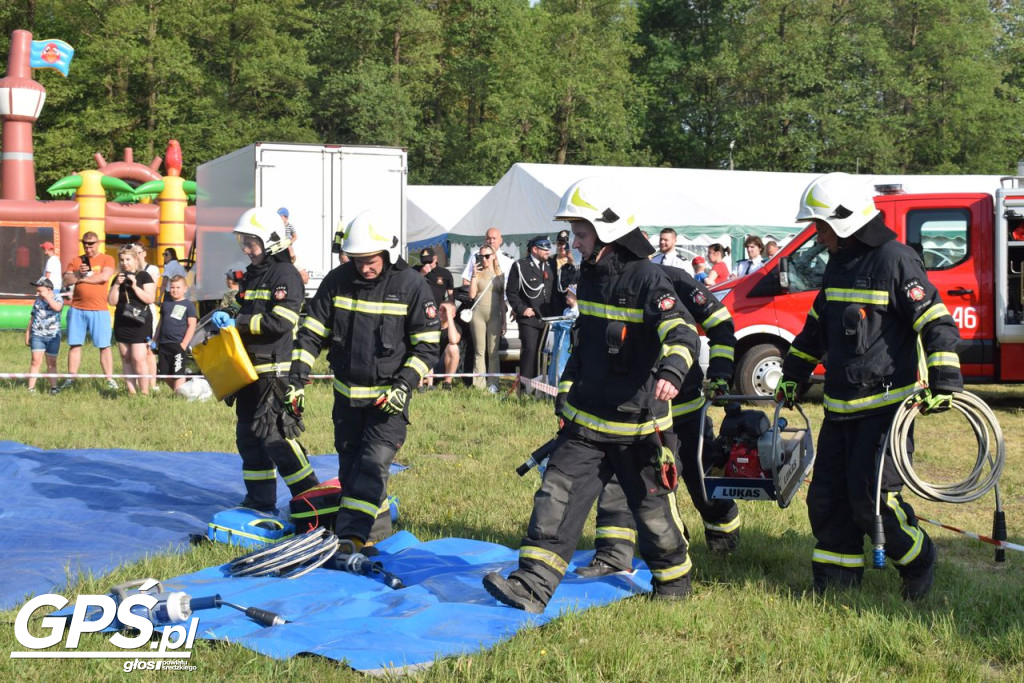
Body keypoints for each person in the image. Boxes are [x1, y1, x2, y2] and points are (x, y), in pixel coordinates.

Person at [483, 177, 698, 613]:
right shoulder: (590, 275)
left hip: (640, 428)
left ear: (609, 232)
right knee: (555, 498)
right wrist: (565, 396)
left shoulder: (647, 279)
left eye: (580, 234)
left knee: (654, 515)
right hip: (587, 422)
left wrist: (673, 370)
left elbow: (682, 332)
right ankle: (530, 587)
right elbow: (583, 343)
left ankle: (674, 585)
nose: (573, 243)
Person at [775, 172, 963, 600]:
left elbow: (935, 321)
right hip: (840, 410)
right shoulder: (839, 263)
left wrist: (945, 380)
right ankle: (835, 586)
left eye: (821, 227)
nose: (818, 238)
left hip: (884, 411)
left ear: (844, 221)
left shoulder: (896, 260)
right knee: (826, 501)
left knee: (871, 502)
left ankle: (918, 559)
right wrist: (792, 376)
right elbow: (817, 328)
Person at [572, 263, 740, 577]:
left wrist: (720, 375)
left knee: (699, 477)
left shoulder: (674, 279)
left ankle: (722, 526)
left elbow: (720, 324)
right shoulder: (606, 282)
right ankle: (615, 554)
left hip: (682, 405)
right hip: (633, 411)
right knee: (625, 480)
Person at [287, 209, 439, 551]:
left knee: (373, 465)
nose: (363, 268)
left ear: (387, 253)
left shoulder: (412, 286)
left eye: (369, 260)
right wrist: (297, 378)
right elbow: (311, 332)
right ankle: (376, 526)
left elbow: (428, 346)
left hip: (388, 402)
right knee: (351, 469)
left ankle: (351, 537)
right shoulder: (337, 281)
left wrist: (405, 384)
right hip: (346, 401)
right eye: (356, 260)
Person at [209, 206, 319, 513]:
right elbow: (246, 309)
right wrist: (229, 313)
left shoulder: (285, 275)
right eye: (242, 241)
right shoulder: (255, 276)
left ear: (271, 241)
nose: (246, 249)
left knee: (276, 439)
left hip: (274, 372)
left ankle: (311, 499)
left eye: (251, 242)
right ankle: (259, 501)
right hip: (247, 372)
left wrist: (240, 322)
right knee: (248, 438)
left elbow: (280, 322)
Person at [60, 231, 117, 392]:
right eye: (85, 243)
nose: (88, 246)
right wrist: (78, 273)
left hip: (99, 309)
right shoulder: (76, 260)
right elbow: (65, 280)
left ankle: (109, 379)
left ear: (97, 243)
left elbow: (103, 277)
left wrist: (82, 278)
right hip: (77, 309)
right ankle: (71, 378)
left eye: (91, 243)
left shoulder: (107, 258)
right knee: (74, 345)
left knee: (105, 346)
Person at [107, 245, 157, 395]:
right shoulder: (117, 278)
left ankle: (144, 392)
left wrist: (135, 286)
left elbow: (150, 298)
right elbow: (112, 301)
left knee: (138, 358)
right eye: (122, 260)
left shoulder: (144, 276)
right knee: (125, 356)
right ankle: (132, 391)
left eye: (128, 259)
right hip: (122, 322)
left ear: (135, 260)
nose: (125, 263)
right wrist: (116, 285)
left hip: (139, 322)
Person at [506, 235, 556, 381]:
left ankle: (540, 384)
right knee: (530, 351)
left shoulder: (549, 265)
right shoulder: (520, 266)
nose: (548, 251)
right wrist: (521, 309)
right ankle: (526, 385)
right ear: (534, 249)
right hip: (529, 317)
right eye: (544, 248)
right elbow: (511, 292)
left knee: (544, 353)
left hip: (547, 318)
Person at [468, 243, 505, 392]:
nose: (484, 259)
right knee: (479, 351)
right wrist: (473, 276)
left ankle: (493, 383)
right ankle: (479, 384)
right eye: (481, 256)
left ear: (494, 256)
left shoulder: (500, 274)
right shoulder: (477, 273)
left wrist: (504, 322)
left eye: (487, 256)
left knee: (493, 352)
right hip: (478, 315)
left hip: (495, 315)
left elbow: (502, 299)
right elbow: (471, 295)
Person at [154, 275, 197, 393]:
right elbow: (160, 322)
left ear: (185, 289)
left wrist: (184, 344)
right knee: (164, 373)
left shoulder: (188, 305)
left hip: (178, 344)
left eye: (178, 287)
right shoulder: (166, 303)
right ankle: (181, 392)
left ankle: (180, 394)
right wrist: (155, 339)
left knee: (178, 372)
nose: (175, 290)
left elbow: (192, 325)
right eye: (172, 287)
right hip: (164, 344)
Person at [24, 277, 63, 395]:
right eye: (37, 291)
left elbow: (57, 308)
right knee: (35, 361)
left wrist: (47, 297)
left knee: (52, 362)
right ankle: (31, 388)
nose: (38, 293)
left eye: (40, 291)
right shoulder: (37, 301)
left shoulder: (58, 298)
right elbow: (32, 318)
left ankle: (54, 387)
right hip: (38, 335)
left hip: (53, 336)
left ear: (49, 290)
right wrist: (27, 333)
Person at [135, 244, 160, 391]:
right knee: (137, 350)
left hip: (147, 311)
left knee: (149, 348)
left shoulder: (152, 269)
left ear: (144, 253)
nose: (136, 256)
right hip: (134, 312)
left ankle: (153, 383)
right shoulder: (130, 271)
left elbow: (150, 289)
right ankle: (139, 381)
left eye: (138, 253)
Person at [426, 301, 460, 390]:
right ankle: (426, 382)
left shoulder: (456, 327)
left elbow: (453, 340)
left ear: (453, 314)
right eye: (440, 310)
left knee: (453, 347)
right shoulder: (431, 325)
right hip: (428, 365)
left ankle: (447, 383)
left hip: (443, 365)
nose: (441, 313)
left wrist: (449, 316)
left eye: (445, 311)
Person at [549, 229, 579, 313]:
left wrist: (571, 263)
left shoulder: (577, 261)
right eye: (560, 243)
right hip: (554, 302)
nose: (562, 247)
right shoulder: (550, 260)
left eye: (565, 244)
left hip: (572, 304)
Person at [278, 206, 309, 285]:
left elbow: (295, 236)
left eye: (280, 216)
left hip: (287, 247)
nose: (279, 218)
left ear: (285, 217)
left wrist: (289, 243)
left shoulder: (289, 226)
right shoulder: (277, 226)